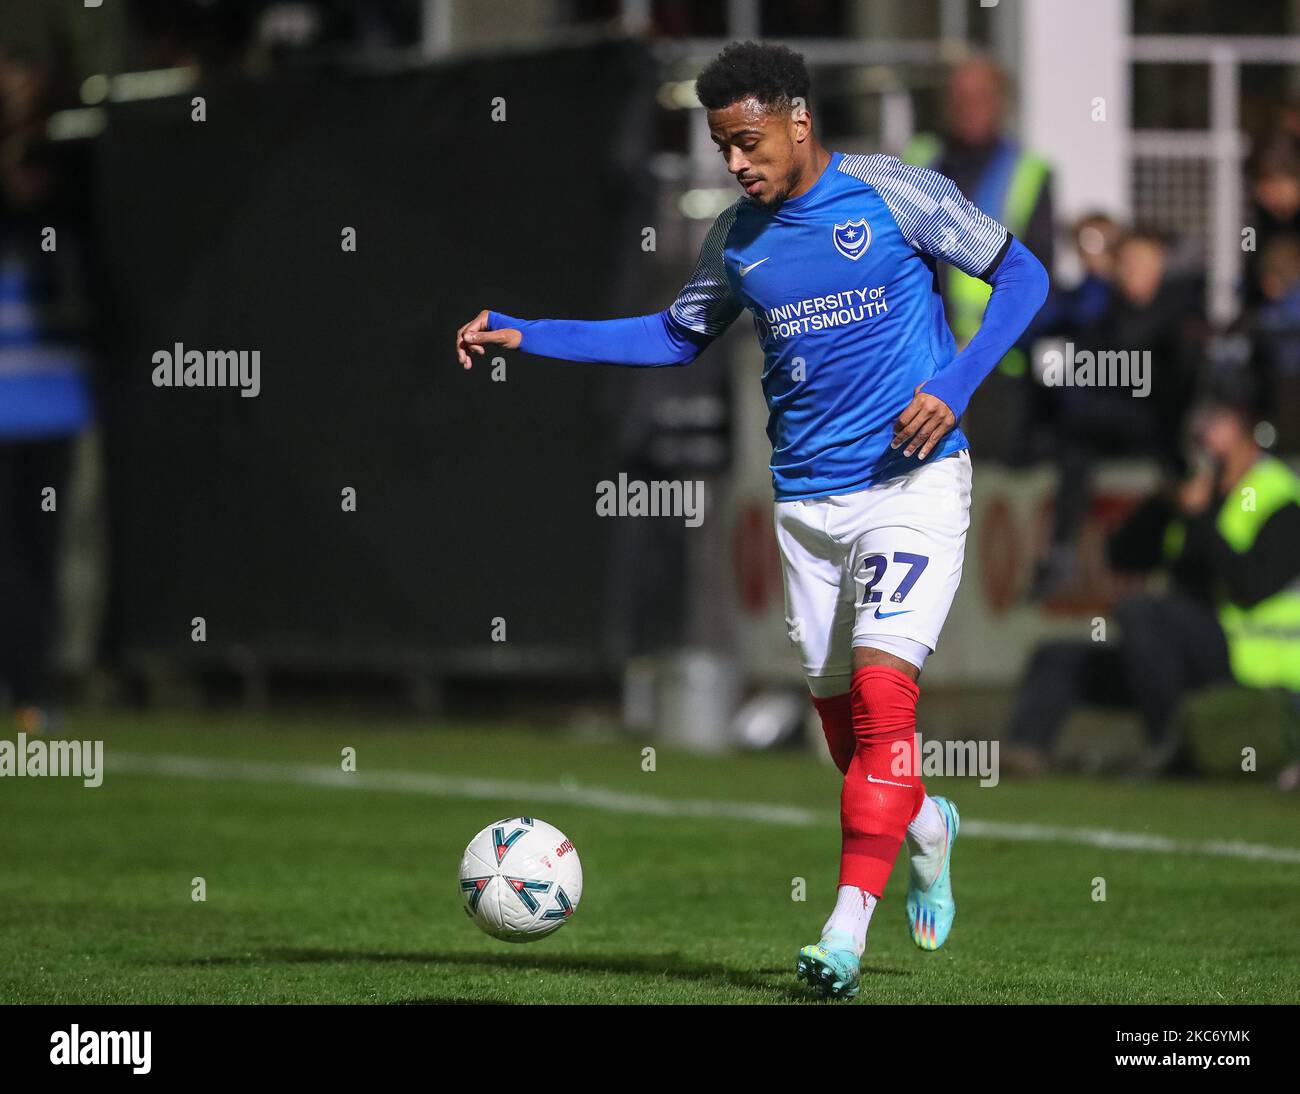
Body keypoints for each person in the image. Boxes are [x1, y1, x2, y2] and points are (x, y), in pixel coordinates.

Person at [454, 42, 1048, 998]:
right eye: (722, 146)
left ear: (797, 121)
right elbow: (669, 336)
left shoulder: (892, 192)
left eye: (747, 140)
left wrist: (955, 382)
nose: (735, 162)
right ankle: (927, 822)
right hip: (807, 503)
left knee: (887, 700)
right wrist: (530, 333)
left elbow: (1022, 276)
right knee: (847, 735)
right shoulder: (738, 239)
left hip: (915, 484)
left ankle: (843, 935)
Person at [1009, 389, 1300, 770]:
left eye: (1216, 421)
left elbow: (1251, 587)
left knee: (1141, 611)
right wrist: (1164, 503)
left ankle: (1167, 746)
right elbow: (1122, 556)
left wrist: (1200, 517)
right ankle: (1021, 753)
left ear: (1244, 428)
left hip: (1249, 666)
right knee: (1058, 657)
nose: (1201, 431)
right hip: (1178, 663)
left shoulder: (1278, 496)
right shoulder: (1197, 489)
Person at [903, 57, 1054, 377]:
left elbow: (1039, 268)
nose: (969, 106)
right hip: (921, 353)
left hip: (997, 359)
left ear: (1001, 103)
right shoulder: (918, 157)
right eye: (960, 97)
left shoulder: (1029, 171)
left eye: (980, 96)